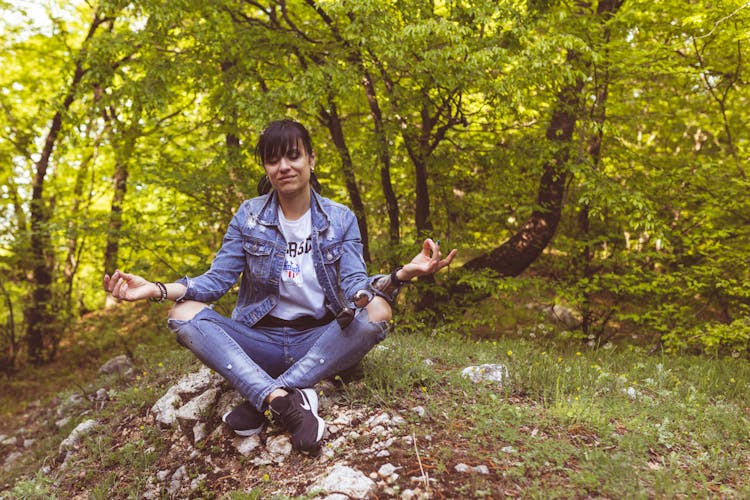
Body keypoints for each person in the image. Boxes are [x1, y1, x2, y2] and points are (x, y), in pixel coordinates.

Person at [103, 119, 457, 454]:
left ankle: (265, 398)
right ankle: (283, 401)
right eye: (273, 160)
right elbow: (215, 282)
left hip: (319, 342)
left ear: (311, 159)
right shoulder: (249, 216)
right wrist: (154, 289)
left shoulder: (340, 219)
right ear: (267, 169)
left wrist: (400, 276)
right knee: (182, 313)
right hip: (259, 343)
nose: (283, 167)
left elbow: (355, 288)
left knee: (379, 309)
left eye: (293, 155)